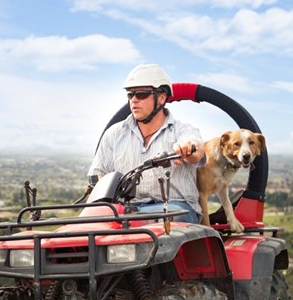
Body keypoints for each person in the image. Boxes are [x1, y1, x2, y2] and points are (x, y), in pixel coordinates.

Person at [87, 63, 206, 223]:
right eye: (130, 95)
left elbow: (196, 151)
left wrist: (186, 148)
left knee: (161, 217)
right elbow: (97, 175)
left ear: (162, 98)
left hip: (174, 209)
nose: (134, 100)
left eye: (141, 94)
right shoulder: (114, 134)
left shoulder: (183, 131)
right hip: (126, 212)